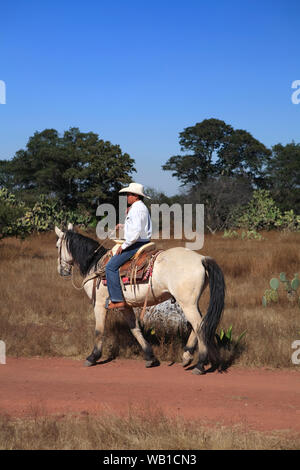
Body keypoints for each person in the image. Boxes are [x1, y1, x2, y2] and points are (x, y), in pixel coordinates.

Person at [105, 182, 152, 309]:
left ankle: (117, 299)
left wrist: (124, 245)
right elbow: (137, 227)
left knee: (110, 267)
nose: (127, 196)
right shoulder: (141, 208)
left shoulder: (136, 209)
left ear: (136, 196)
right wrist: (123, 226)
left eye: (129, 194)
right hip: (144, 241)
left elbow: (135, 232)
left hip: (136, 243)